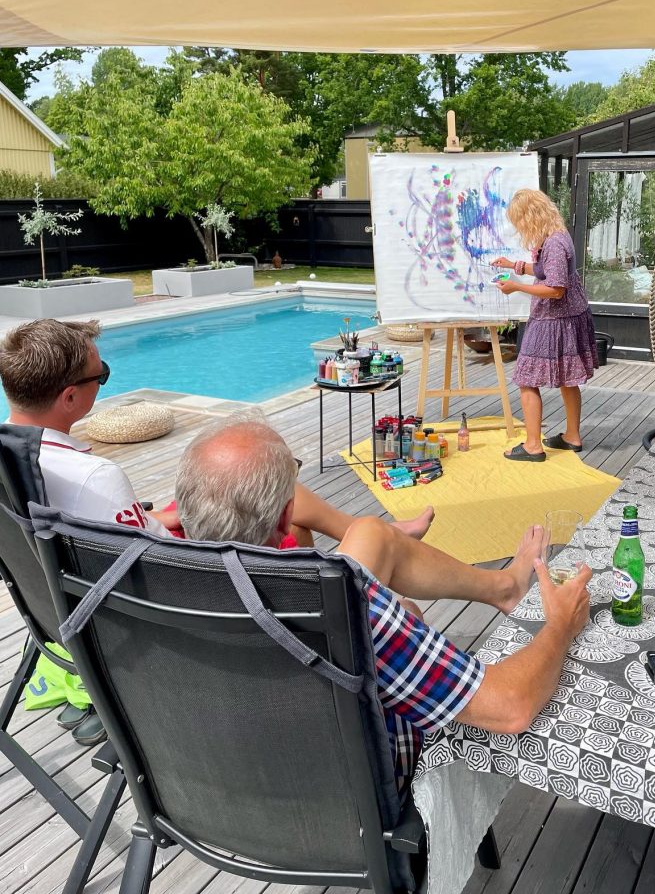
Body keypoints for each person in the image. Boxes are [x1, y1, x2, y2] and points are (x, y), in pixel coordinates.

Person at [176, 411, 592, 792]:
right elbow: (510, 708)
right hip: (355, 787)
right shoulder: (345, 606)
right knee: (402, 613)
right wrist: (559, 625)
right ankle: (495, 589)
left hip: (224, 785)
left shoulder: (155, 585)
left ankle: (492, 585)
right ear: (286, 517)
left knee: (381, 556)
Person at [0, 319, 435, 546]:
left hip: (77, 594)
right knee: (264, 482)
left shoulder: (14, 459)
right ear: (70, 398)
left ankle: (364, 533)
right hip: (175, 595)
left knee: (269, 494)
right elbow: (156, 561)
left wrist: (154, 518)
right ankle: (366, 541)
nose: (103, 380)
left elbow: (123, 534)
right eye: (103, 376)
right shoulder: (94, 477)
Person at [492, 188, 598, 461]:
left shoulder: (553, 244)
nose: (518, 227)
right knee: (568, 379)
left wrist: (516, 287)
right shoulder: (555, 235)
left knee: (526, 379)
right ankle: (572, 436)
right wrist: (514, 265)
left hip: (554, 320)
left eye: (519, 221)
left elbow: (555, 289)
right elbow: (545, 271)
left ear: (529, 217)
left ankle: (532, 446)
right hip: (568, 317)